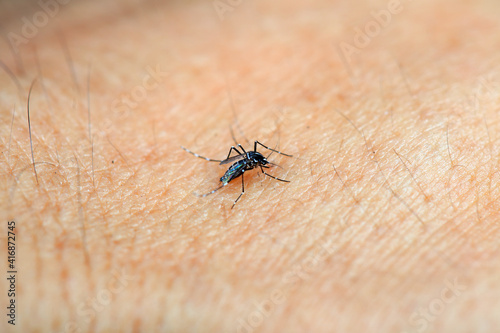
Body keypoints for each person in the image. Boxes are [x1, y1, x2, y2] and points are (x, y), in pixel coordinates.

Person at [0, 0, 497, 332]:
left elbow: (252, 153)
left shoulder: (255, 155)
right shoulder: (250, 161)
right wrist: (247, 171)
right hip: (232, 168)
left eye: (257, 163)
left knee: (238, 164)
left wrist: (266, 165)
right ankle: (219, 186)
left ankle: (219, 183)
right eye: (258, 161)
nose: (255, 161)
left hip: (241, 161)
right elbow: (247, 156)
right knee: (233, 171)